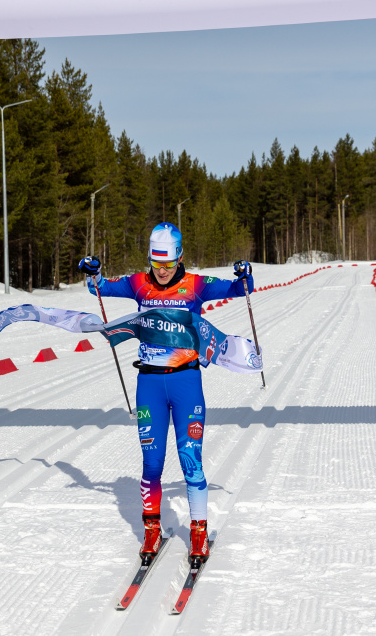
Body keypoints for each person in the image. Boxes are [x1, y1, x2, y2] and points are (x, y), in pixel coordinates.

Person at [79, 222, 255, 563]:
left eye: (169, 264)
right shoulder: (138, 283)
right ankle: (151, 529)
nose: (162, 272)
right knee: (152, 463)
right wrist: (93, 273)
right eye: (156, 264)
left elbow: (239, 289)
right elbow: (99, 288)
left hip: (185, 383)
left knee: (191, 463)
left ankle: (199, 532)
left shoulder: (197, 286)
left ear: (180, 258)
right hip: (149, 385)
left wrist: (245, 275)